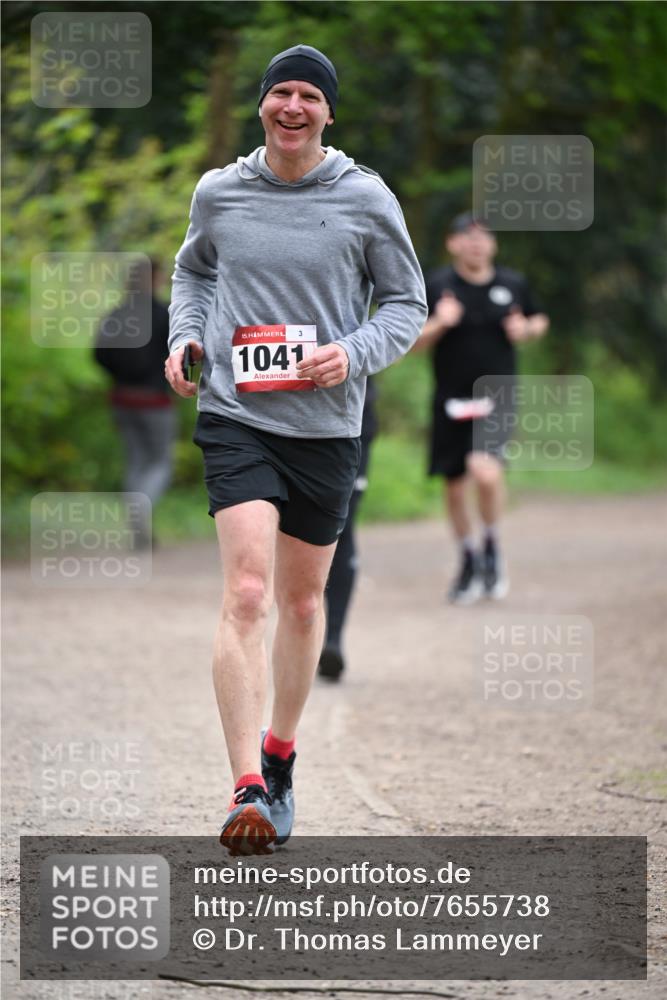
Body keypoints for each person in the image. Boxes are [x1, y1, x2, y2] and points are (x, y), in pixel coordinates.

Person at [165, 45, 426, 854]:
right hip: (236, 411)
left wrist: (350, 353)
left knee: (303, 601)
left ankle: (280, 755)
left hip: (326, 423)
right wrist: (183, 337)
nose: (293, 106)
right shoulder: (220, 191)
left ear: (327, 113)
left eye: (310, 95)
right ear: (261, 106)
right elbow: (193, 274)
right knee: (248, 591)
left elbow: (406, 303)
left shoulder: (364, 197)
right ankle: (245, 786)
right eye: (281, 91)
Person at [414, 212, 549, 604]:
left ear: (493, 244)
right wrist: (440, 323)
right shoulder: (437, 285)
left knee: (484, 471)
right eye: (467, 237)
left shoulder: (512, 283)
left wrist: (526, 330)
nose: (476, 243)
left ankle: (491, 544)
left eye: (484, 237)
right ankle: (469, 558)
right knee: (455, 486)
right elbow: (409, 340)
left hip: (497, 395)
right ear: (452, 243)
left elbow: (540, 319)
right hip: (451, 399)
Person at [94, 257, 176, 548]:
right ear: (155, 278)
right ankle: (142, 509)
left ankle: (136, 514)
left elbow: (99, 354)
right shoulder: (164, 313)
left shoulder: (116, 314)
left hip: (122, 398)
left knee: (136, 461)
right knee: (160, 464)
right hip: (155, 400)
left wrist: (119, 378)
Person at [318, 376, 377, 682]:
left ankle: (333, 639)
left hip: (350, 419)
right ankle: (302, 633)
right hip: (272, 417)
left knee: (341, 526)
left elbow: (393, 334)